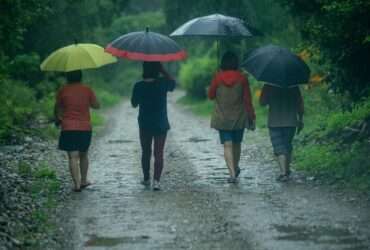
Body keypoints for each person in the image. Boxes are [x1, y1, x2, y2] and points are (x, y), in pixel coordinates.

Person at [208, 51, 256, 183]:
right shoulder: (242, 78)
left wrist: (216, 78)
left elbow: (211, 96)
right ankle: (235, 166)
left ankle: (232, 174)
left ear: (222, 63)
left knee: (227, 145)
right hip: (239, 117)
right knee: (237, 144)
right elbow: (247, 99)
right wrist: (252, 116)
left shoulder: (217, 77)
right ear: (236, 63)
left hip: (222, 117)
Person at [131, 62, 176, 191]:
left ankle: (146, 178)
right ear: (157, 70)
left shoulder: (139, 86)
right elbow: (173, 84)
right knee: (159, 153)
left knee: (146, 152)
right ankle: (156, 181)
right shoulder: (162, 83)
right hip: (161, 123)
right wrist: (163, 70)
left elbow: (134, 104)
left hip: (145, 123)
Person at [54, 70, 100, 192]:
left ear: (67, 77)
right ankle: (84, 180)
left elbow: (57, 108)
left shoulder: (62, 90)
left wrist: (58, 118)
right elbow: (96, 105)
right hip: (84, 127)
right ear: (81, 77)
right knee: (83, 155)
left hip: (68, 127)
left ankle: (76, 184)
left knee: (72, 157)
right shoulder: (87, 89)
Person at [259, 84, 304, 182]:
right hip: (291, 121)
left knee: (279, 147)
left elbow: (262, 102)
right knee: (287, 145)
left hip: (274, 121)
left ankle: (283, 173)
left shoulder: (268, 85)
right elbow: (300, 103)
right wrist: (300, 119)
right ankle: (286, 170)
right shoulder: (293, 85)